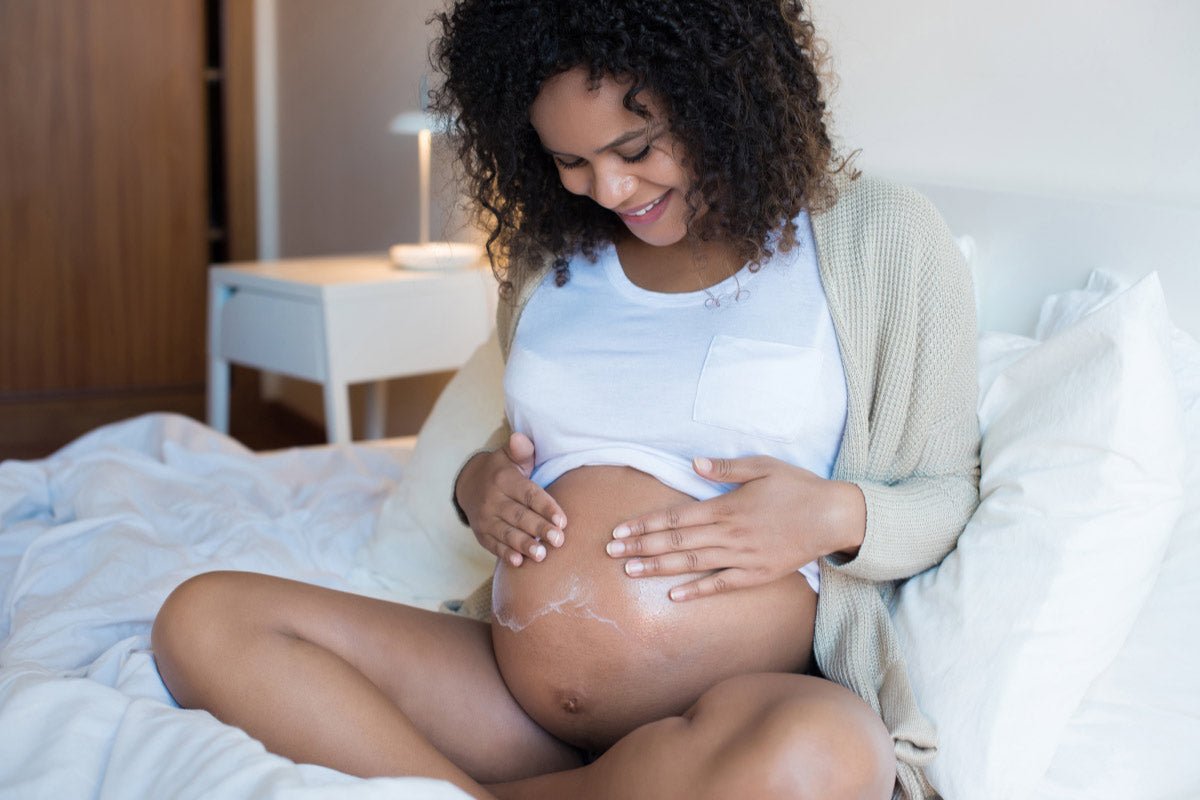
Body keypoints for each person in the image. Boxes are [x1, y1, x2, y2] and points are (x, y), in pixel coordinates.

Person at [151, 1, 980, 798]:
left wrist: (832, 517)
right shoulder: (550, 258)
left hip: (735, 708)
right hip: (514, 706)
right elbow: (524, 442)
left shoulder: (880, 236)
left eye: (637, 148)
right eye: (572, 162)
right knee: (203, 620)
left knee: (829, 762)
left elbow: (948, 491)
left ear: (723, 96)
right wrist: (474, 486)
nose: (611, 190)